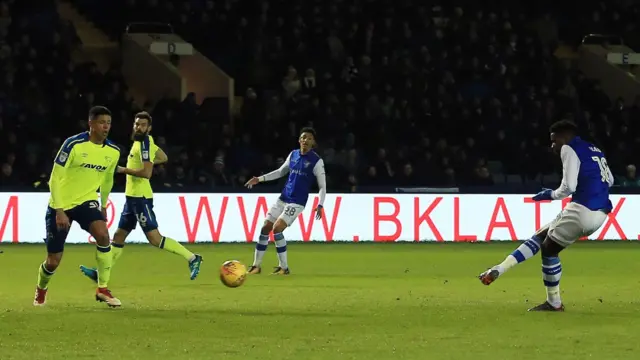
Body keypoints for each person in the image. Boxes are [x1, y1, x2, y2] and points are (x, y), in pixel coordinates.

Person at [478, 120, 614, 311]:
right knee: (542, 235)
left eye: (554, 141)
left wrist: (549, 195)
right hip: (600, 213)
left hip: (582, 208)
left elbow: (568, 188)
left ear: (564, 137)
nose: (552, 146)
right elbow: (610, 180)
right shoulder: (595, 149)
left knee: (549, 250)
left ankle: (554, 302)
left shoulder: (568, 148)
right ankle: (499, 268)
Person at [79, 112, 203, 283]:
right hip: (131, 198)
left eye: (143, 125)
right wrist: (149, 160)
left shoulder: (144, 143)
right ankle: (101, 273)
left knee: (154, 238)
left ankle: (192, 258)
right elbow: (164, 157)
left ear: (149, 128)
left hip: (140, 198)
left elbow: (146, 173)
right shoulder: (142, 143)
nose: (139, 127)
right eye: (137, 124)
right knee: (119, 236)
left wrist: (123, 170)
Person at [35, 106, 121, 307]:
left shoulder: (113, 151)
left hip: (86, 200)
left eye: (108, 122)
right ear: (90, 123)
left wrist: (103, 204)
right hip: (61, 203)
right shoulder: (73, 144)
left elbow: (107, 178)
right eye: (102, 122)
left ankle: (103, 289)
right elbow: (55, 178)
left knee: (103, 235)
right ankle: (41, 289)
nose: (106, 126)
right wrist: (59, 210)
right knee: (53, 260)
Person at [244, 127, 327, 275]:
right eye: (303, 137)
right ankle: (256, 266)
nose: (305, 140)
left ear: (313, 142)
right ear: (299, 140)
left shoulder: (316, 161)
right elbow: (280, 172)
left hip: (297, 202)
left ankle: (284, 267)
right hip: (283, 198)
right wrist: (260, 179)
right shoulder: (293, 155)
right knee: (265, 227)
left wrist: (320, 204)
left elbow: (322, 186)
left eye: (309, 138)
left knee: (277, 228)